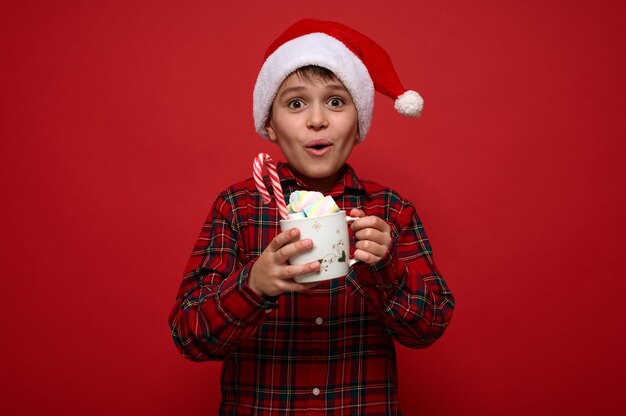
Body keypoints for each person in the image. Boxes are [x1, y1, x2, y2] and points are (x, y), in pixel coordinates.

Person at [169, 19, 454, 415]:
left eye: (336, 101)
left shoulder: (389, 211)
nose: (317, 119)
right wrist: (254, 285)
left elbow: (430, 327)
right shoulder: (239, 207)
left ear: (360, 123)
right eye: (296, 103)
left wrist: (385, 269)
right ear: (269, 123)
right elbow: (189, 335)